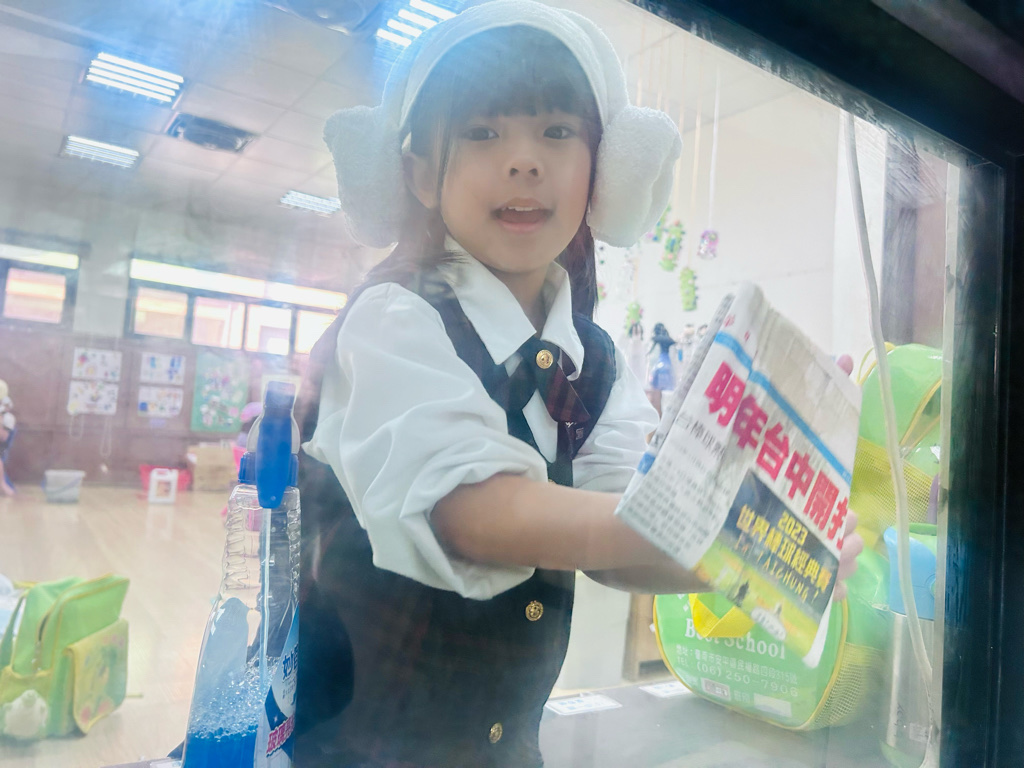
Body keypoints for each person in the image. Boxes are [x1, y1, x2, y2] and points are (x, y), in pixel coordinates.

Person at [294, 3, 864, 766]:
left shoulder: (591, 358)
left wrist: (762, 552)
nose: (524, 160)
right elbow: (473, 510)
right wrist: (722, 530)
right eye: (483, 132)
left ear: (606, 172)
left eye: (557, 131)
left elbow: (625, 531)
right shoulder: (393, 320)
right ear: (421, 173)